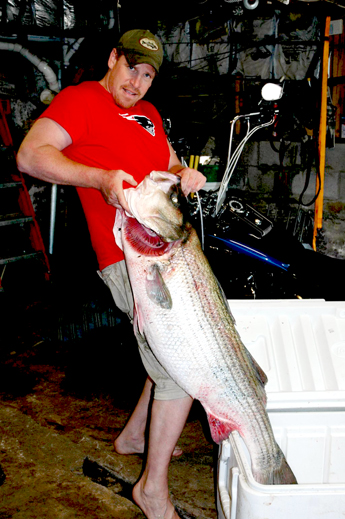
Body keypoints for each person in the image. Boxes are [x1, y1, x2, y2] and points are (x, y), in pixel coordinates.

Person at [17, 29, 206, 519]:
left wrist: (185, 172)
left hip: (169, 250)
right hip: (128, 257)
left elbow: (165, 163)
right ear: (112, 58)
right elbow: (30, 154)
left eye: (148, 75)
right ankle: (153, 490)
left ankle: (134, 435)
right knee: (180, 367)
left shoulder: (148, 116)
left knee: (163, 348)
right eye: (132, 68)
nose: (138, 82)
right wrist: (99, 178)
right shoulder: (81, 100)